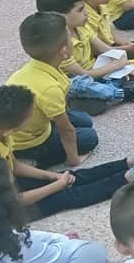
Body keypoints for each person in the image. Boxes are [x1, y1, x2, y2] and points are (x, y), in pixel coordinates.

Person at [0, 85, 134, 220]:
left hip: (1, 187)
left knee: (70, 177)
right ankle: (127, 179)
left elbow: (14, 165)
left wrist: (52, 177)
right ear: (10, 128)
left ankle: (125, 163)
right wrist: (56, 185)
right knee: (65, 196)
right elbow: (14, 201)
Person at [35, 0, 134, 112]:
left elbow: (106, 50)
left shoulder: (82, 27)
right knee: (82, 85)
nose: (86, 13)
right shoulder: (59, 45)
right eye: (80, 10)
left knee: (114, 74)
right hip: (75, 80)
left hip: (95, 70)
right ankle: (123, 94)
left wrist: (126, 65)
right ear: (60, 17)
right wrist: (117, 66)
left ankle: (99, 96)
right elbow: (84, 74)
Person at [6, 12, 98, 168]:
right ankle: (33, 161)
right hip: (28, 143)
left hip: (30, 124)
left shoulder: (33, 67)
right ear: (63, 51)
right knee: (90, 137)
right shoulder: (49, 88)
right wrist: (74, 160)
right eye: (70, 37)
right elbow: (66, 130)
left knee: (85, 120)